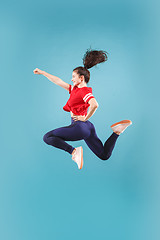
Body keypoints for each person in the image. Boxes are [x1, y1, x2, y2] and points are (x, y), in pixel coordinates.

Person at [33, 48, 132, 170]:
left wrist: (85, 117)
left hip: (79, 126)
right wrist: (43, 73)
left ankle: (74, 152)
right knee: (104, 155)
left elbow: (95, 104)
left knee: (47, 137)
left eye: (73, 76)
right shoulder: (74, 90)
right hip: (88, 127)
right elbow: (58, 81)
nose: (71, 79)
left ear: (81, 78)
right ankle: (117, 131)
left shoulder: (84, 91)